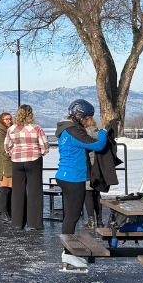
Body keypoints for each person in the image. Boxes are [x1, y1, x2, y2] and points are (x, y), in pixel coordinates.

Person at [55, 99, 108, 236]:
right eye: (87, 118)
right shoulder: (74, 131)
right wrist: (103, 133)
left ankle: (66, 250)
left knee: (69, 216)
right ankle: (67, 252)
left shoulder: (65, 129)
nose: (87, 122)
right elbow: (97, 145)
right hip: (74, 178)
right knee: (72, 217)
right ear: (80, 116)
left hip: (64, 175)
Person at [3, 104, 49, 230]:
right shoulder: (36, 128)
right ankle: (35, 223)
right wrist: (40, 153)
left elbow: (6, 146)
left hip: (17, 161)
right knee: (35, 191)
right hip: (34, 160)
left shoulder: (11, 129)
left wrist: (13, 153)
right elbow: (45, 146)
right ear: (31, 114)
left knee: (17, 192)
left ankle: (17, 223)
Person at [0, 112, 13, 221]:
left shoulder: (10, 130)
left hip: (10, 163)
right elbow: (1, 148)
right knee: (5, 189)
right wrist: (12, 154)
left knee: (10, 189)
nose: (9, 121)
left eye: (10, 119)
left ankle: (9, 212)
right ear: (1, 120)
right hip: (4, 164)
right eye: (6, 119)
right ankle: (4, 213)